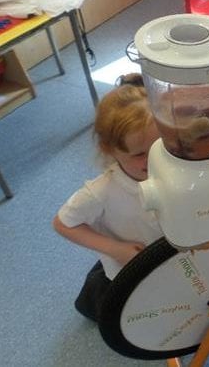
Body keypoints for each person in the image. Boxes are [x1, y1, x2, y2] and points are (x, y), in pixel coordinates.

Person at [52, 73, 163, 321]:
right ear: (110, 149)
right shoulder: (101, 192)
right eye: (139, 154)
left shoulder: (171, 166)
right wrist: (115, 249)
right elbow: (62, 223)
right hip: (129, 267)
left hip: (167, 259)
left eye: (159, 147)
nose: (153, 159)